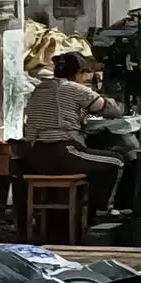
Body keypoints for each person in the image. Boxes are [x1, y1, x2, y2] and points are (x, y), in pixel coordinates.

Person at [21, 52, 127, 219]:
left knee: (94, 159)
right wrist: (112, 100)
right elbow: (111, 110)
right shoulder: (75, 89)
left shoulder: (39, 89)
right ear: (78, 73)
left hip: (36, 155)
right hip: (62, 153)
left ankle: (81, 212)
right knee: (117, 160)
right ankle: (103, 212)